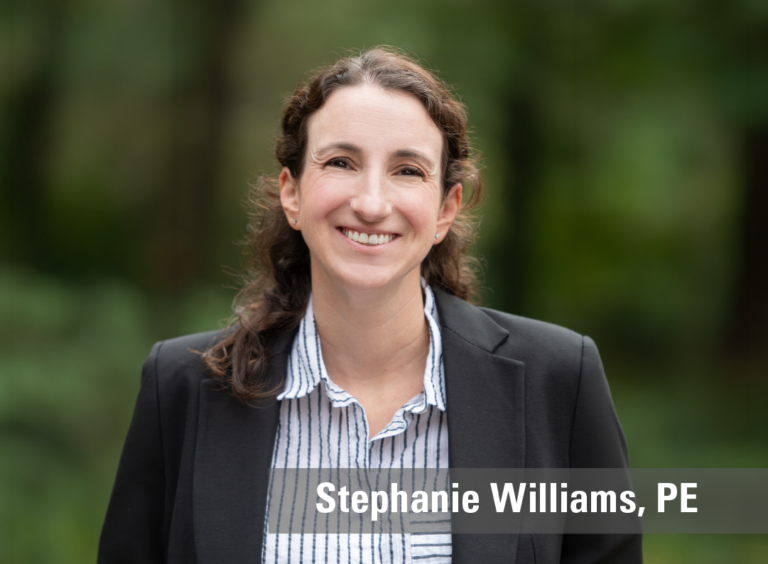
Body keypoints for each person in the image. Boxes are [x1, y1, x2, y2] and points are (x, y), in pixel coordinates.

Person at [98, 47, 642, 563]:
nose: (371, 203)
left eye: (408, 170)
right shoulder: (181, 388)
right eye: (341, 162)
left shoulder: (559, 380)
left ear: (446, 209)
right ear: (292, 193)